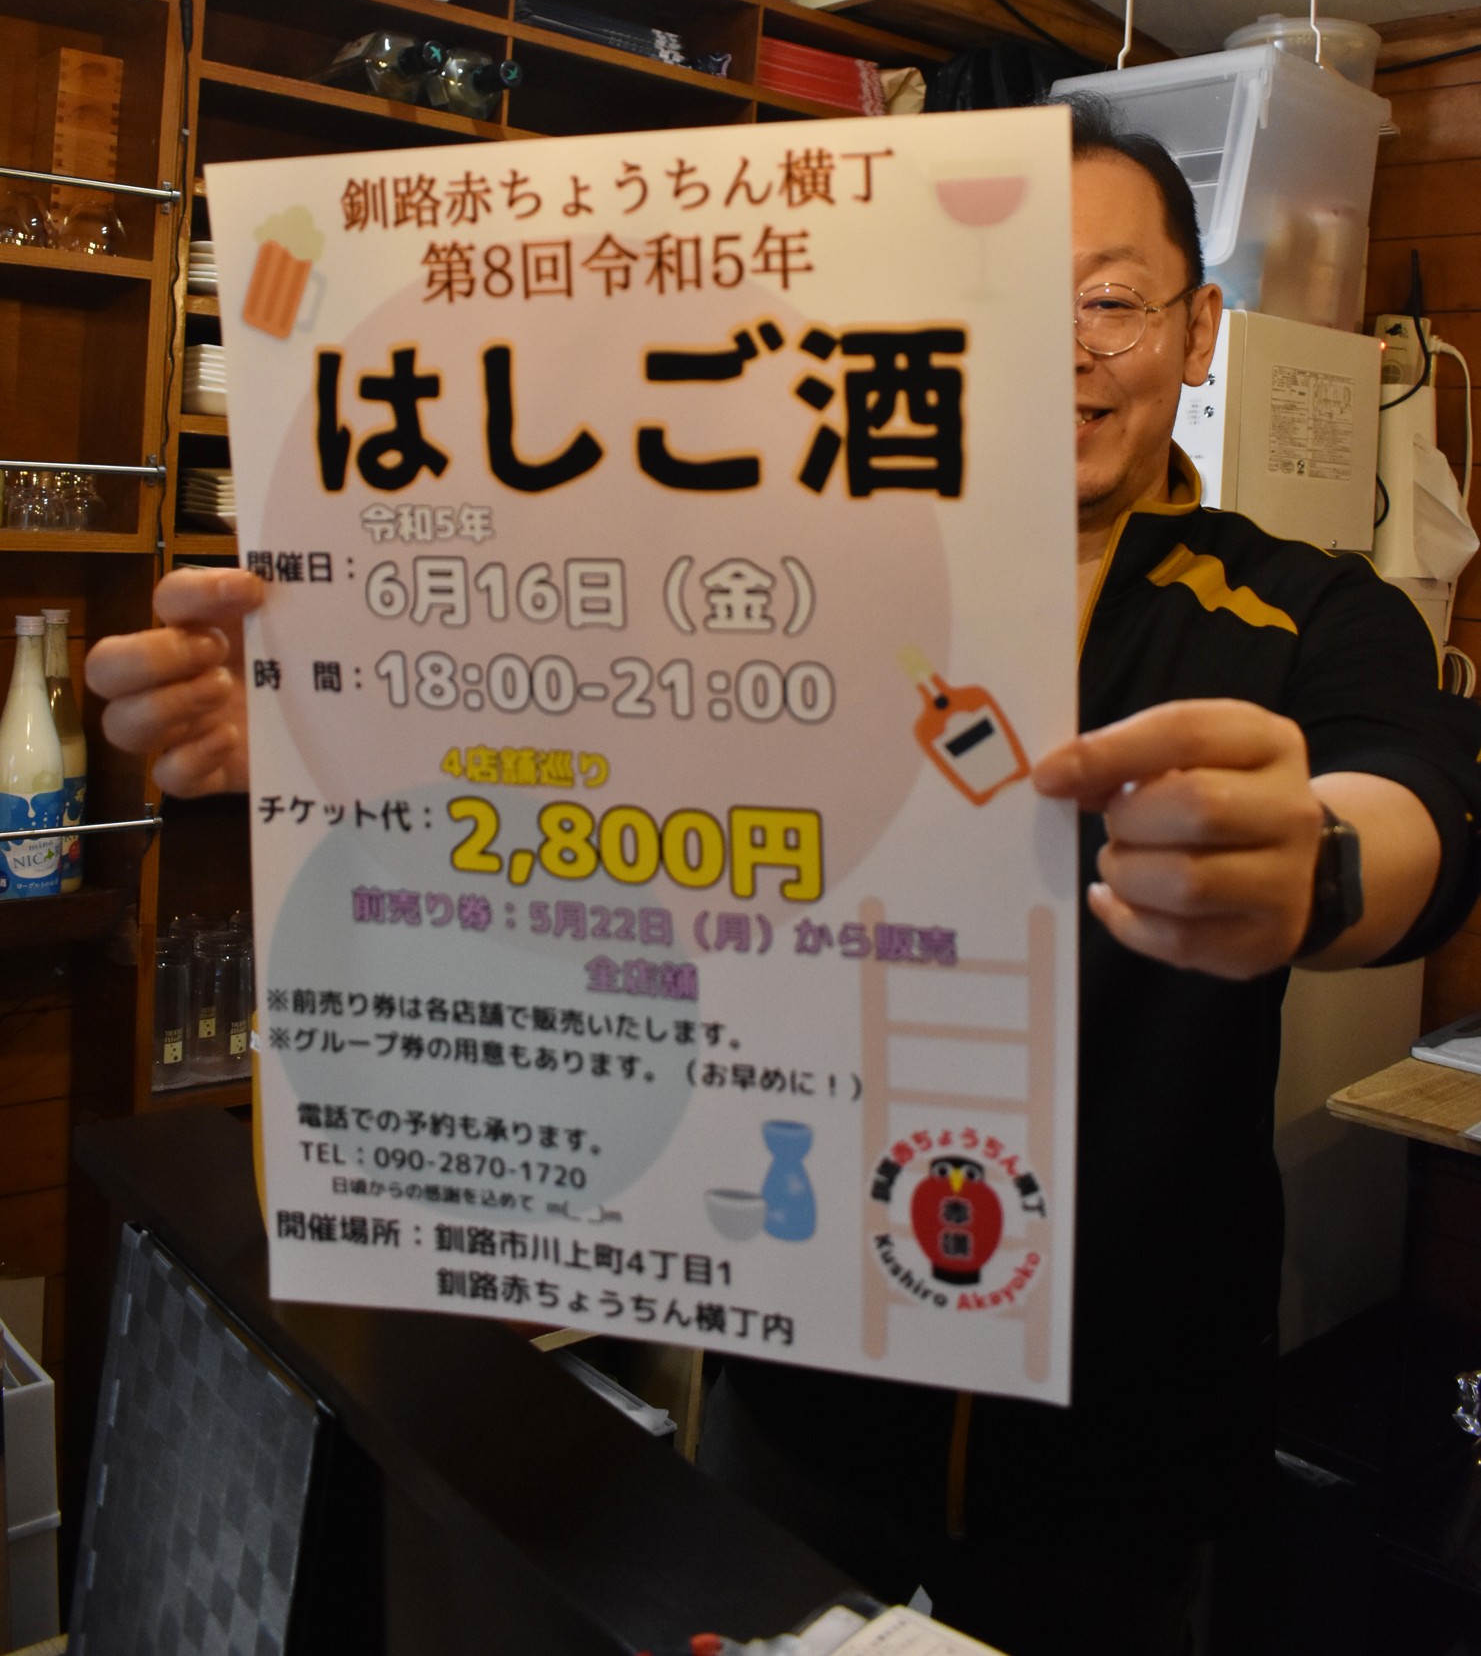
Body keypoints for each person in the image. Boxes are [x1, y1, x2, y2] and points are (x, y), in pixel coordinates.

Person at [85, 96, 1481, 1656]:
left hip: (1124, 1430)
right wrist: (304, 724)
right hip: (800, 1390)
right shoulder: (781, 577)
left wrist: (1320, 859)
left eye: (1109, 300)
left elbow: (1423, 805)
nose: (1063, 351)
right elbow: (558, 773)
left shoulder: (1294, 609)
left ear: (1197, 328)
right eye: (1009, 305)